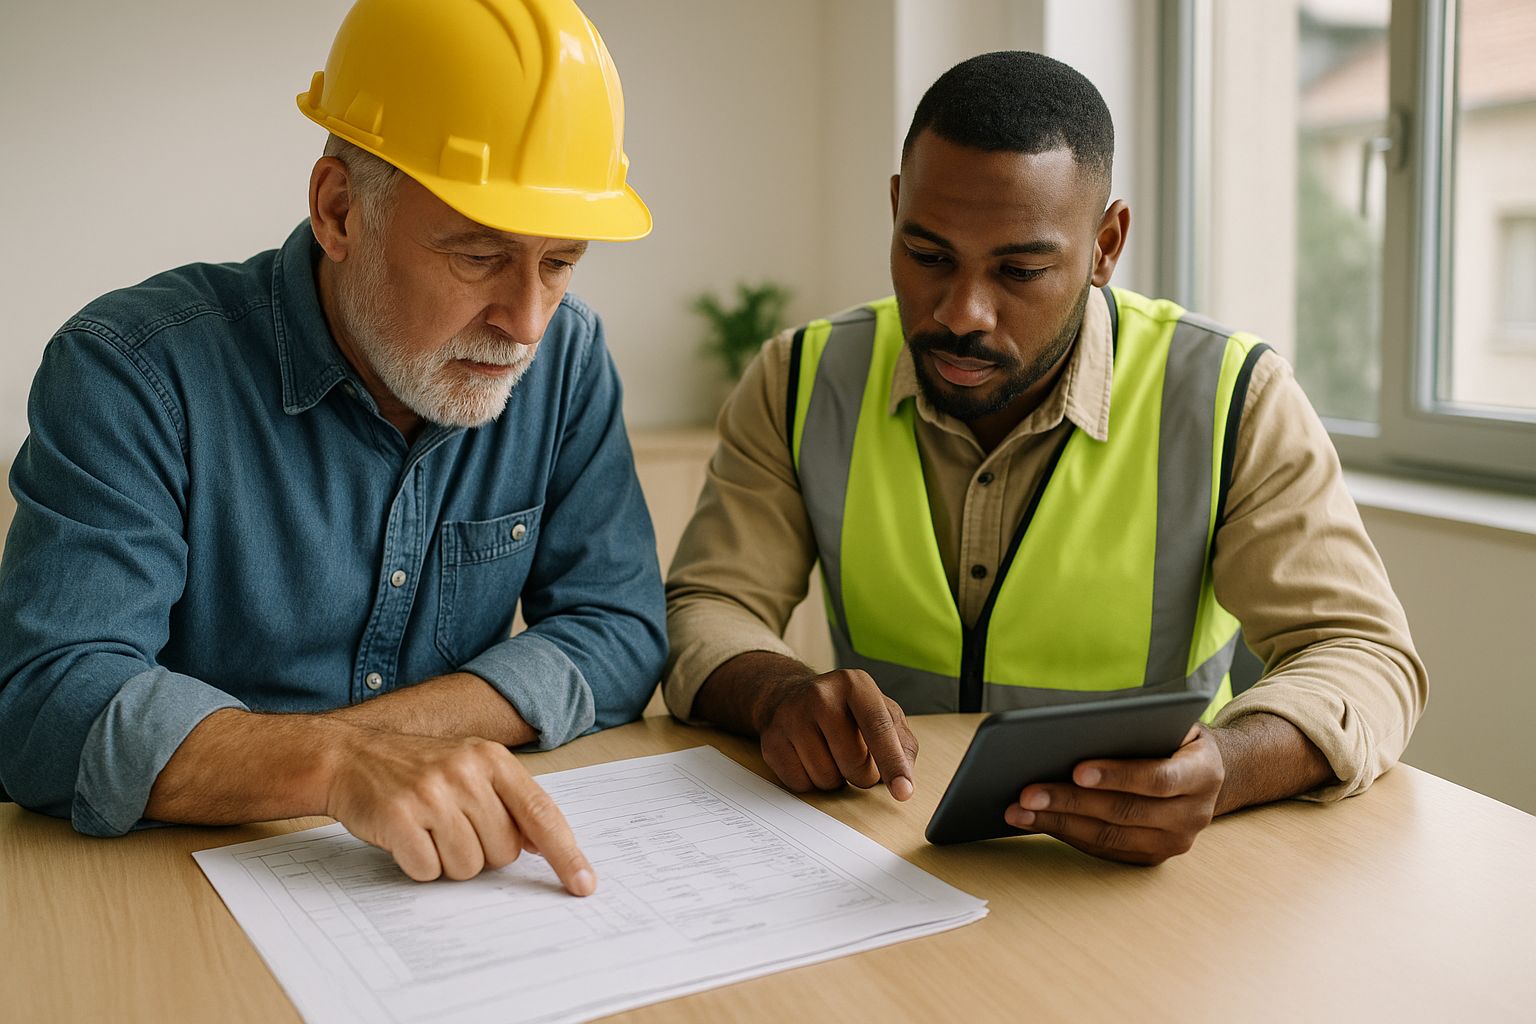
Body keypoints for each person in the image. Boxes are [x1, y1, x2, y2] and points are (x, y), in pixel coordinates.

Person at [663, 51, 1427, 866]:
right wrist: (775, 690)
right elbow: (708, 602)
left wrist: (1225, 769)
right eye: (926, 256)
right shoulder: (799, 379)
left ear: (1105, 245)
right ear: (894, 207)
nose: (962, 313)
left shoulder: (1233, 397)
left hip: (1142, 883)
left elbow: (1364, 655)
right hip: (880, 858)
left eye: (1019, 270)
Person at [0, 0, 665, 892]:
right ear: (341, 210)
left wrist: (386, 743)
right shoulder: (131, 371)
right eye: (478, 257)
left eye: (559, 262)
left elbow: (617, 629)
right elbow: (49, 703)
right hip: (169, 897)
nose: (526, 322)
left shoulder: (568, 359)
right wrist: (337, 764)